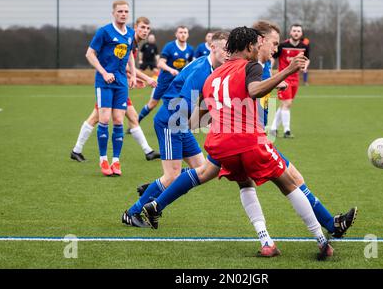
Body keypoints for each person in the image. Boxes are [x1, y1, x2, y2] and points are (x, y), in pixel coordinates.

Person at [139, 23, 357, 259]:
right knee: (290, 183)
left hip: (222, 144)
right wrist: (288, 71)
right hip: (251, 140)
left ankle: (267, 242)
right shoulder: (251, 66)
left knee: (237, 181)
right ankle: (324, 240)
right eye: (266, 43)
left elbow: (194, 121)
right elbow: (253, 91)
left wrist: (220, 116)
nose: (268, 47)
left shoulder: (213, 76)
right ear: (251, 45)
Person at [121, 31, 229, 229]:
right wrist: (208, 120)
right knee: (173, 175)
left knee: (204, 169)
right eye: (225, 49)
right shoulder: (202, 71)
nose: (228, 53)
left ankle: (156, 187)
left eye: (230, 49)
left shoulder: (210, 67)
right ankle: (132, 212)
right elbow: (183, 105)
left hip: (181, 122)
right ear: (213, 47)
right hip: (172, 120)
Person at [71, 17, 161, 164]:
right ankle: (78, 150)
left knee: (130, 117)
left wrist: (133, 78)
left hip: (118, 85)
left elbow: (123, 66)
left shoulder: (134, 44)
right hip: (109, 84)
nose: (145, 31)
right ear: (135, 28)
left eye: (147, 28)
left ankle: (148, 151)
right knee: (99, 118)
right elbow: (123, 65)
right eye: (142, 27)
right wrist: (146, 78)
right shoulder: (126, 38)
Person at [83, 0, 138, 176]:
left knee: (119, 121)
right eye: (120, 11)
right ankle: (103, 159)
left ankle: (116, 161)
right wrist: (104, 72)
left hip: (121, 82)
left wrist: (134, 75)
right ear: (113, 13)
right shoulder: (104, 31)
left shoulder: (130, 33)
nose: (123, 14)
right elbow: (89, 53)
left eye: (126, 11)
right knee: (104, 119)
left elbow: (129, 54)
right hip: (104, 81)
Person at [137, 26, 194, 123]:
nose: (183, 34)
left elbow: (191, 65)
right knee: (152, 104)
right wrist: (171, 70)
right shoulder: (170, 46)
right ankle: (136, 122)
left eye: (185, 32)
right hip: (164, 81)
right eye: (180, 32)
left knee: (179, 103)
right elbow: (160, 63)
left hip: (178, 83)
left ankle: (178, 126)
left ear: (188, 35)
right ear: (176, 34)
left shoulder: (190, 49)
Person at [270, 24, 310, 139]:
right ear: (290, 32)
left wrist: (305, 66)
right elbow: (273, 57)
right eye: (294, 31)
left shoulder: (304, 47)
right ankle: (287, 131)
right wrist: (269, 68)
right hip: (283, 78)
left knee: (285, 104)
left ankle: (273, 129)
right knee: (287, 104)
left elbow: (307, 59)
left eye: (298, 31)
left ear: (301, 34)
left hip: (295, 79)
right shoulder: (282, 45)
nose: (296, 33)